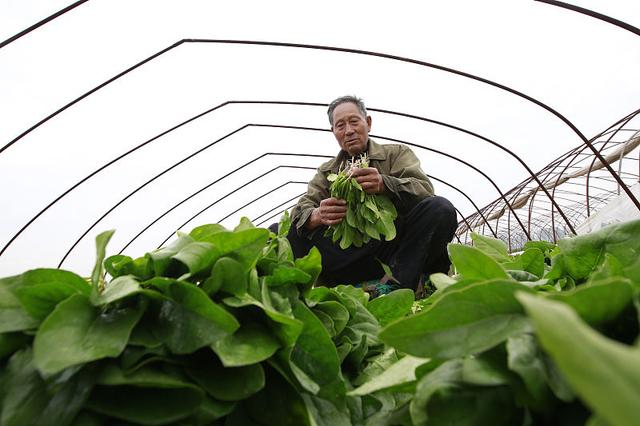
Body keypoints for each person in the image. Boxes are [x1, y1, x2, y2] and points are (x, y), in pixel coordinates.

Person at [287, 95, 457, 295]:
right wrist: (316, 215)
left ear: (368, 123)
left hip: (397, 250)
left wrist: (385, 184)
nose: (349, 130)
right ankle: (307, 296)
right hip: (353, 256)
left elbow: (424, 190)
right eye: (340, 125)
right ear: (333, 132)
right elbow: (300, 210)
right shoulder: (327, 172)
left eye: (354, 121)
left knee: (440, 208)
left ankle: (398, 284)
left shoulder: (396, 154)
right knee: (288, 233)